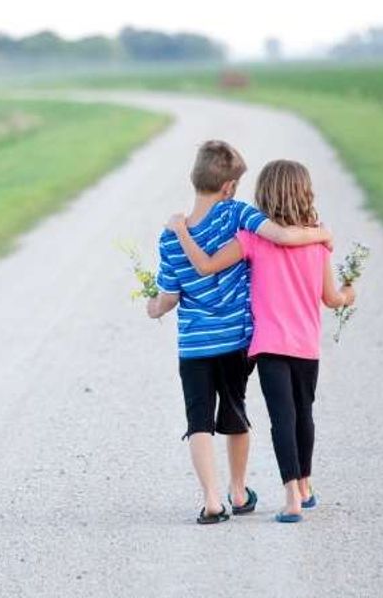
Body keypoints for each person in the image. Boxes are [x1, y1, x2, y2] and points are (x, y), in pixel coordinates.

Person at [146, 142, 331, 524]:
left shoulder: (169, 238)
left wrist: (153, 306)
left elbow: (167, 298)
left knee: (198, 419)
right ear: (230, 187)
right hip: (234, 339)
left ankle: (212, 499)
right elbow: (281, 236)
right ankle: (238, 490)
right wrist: (320, 235)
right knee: (235, 413)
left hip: (194, 343)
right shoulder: (236, 215)